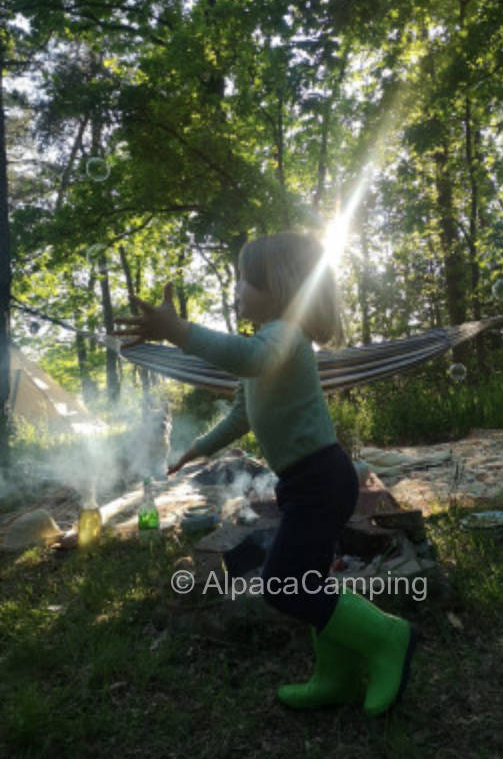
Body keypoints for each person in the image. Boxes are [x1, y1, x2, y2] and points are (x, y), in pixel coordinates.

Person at [113, 230, 418, 716]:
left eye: (243, 279)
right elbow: (241, 415)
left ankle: (387, 637)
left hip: (321, 479)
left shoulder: (284, 336)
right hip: (305, 483)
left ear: (276, 287)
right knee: (309, 579)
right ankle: (335, 677)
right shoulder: (267, 345)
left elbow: (249, 356)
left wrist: (179, 331)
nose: (235, 289)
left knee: (283, 581)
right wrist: (195, 449)